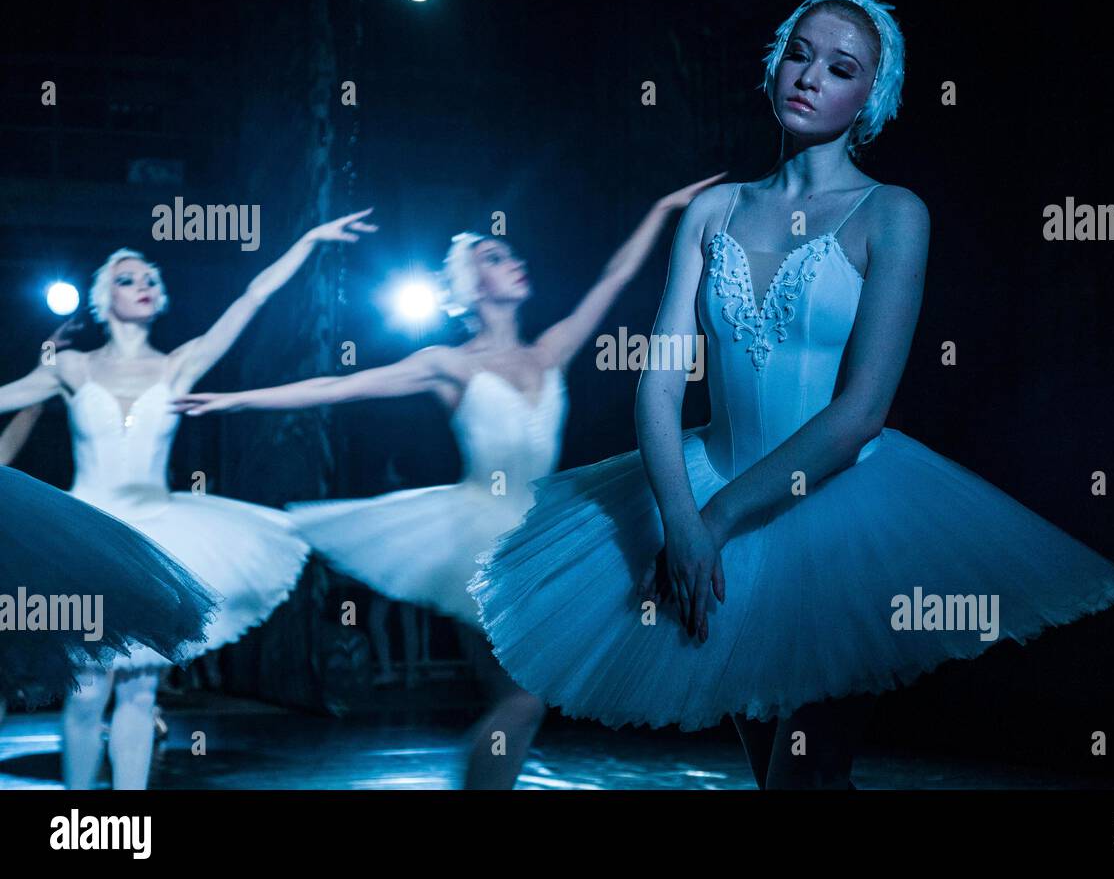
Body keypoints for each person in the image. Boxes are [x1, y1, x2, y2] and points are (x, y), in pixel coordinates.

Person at [468, 0, 1114, 789]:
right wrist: (681, 521)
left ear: (871, 98)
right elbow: (658, 380)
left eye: (841, 66)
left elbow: (860, 414)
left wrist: (712, 522)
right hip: (703, 501)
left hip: (840, 514)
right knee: (786, 784)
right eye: (799, 52)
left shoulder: (893, 214)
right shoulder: (712, 211)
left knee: (801, 782)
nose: (811, 75)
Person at [172, 174, 723, 788]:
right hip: (472, 539)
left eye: (509, 253)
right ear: (471, 285)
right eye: (493, 257)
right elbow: (337, 388)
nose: (513, 260)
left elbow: (613, 279)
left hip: (540, 535)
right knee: (520, 700)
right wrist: (235, 402)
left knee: (523, 701)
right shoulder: (447, 365)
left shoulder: (548, 352)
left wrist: (660, 207)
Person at [0, 208, 374, 788]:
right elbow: (5, 396)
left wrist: (309, 240)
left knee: (139, 689)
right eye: (128, 279)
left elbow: (251, 299)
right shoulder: (71, 366)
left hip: (157, 535)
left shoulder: (180, 364)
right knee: (84, 694)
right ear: (104, 299)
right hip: (84, 538)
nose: (144, 286)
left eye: (150, 279)